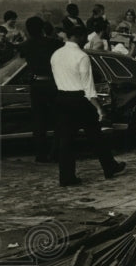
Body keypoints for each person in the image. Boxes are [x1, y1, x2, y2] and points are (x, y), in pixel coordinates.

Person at [50, 24, 126, 186]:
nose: (86, 40)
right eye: (84, 37)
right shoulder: (82, 56)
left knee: (65, 141)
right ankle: (109, 166)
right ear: (78, 36)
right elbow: (88, 88)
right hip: (79, 99)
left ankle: (66, 177)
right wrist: (100, 109)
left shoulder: (56, 54)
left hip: (62, 98)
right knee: (95, 135)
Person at [20, 16, 63, 162]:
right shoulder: (54, 43)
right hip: (53, 84)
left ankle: (41, 154)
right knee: (58, 119)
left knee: (39, 122)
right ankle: (56, 151)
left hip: (36, 85)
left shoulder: (26, 45)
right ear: (43, 28)